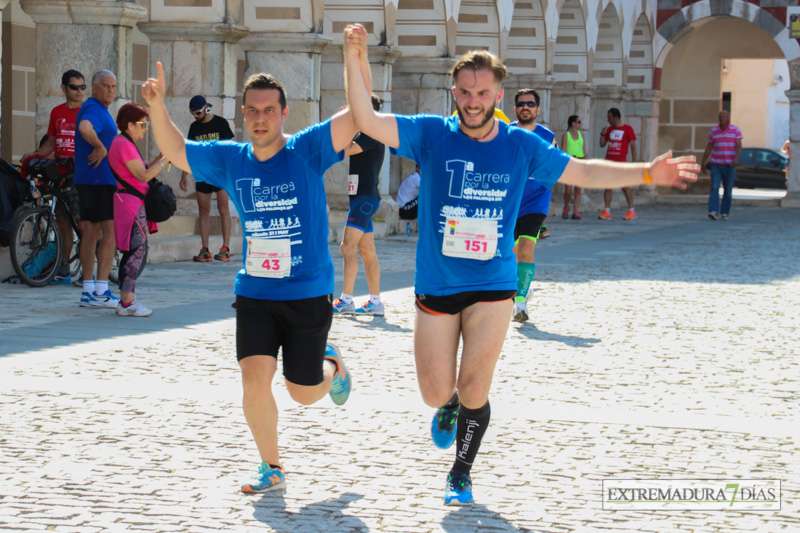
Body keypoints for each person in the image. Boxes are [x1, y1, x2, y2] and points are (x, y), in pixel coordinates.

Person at [343, 23, 698, 506]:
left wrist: (644, 172)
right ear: (454, 91)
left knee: (474, 386)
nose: (473, 101)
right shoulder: (430, 134)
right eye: (465, 92)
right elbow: (363, 116)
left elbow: (583, 170)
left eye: (482, 93)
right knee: (435, 391)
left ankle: (460, 474)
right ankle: (447, 406)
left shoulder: (520, 144)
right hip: (438, 282)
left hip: (494, 283)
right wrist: (354, 52)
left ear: (498, 94)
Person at [141, 62, 355, 493]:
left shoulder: (307, 149)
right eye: (253, 110)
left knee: (302, 392)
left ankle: (334, 368)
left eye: (269, 110)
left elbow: (357, 116)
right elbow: (178, 150)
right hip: (255, 289)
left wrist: (356, 60)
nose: (261, 118)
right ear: (242, 114)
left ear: (284, 113)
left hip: (308, 290)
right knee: (254, 377)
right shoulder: (230, 157)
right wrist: (158, 106)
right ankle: (271, 466)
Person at [24, 69, 86, 284]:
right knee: (62, 224)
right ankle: (64, 268)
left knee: (83, 224)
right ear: (64, 88)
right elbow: (51, 141)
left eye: (82, 87)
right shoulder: (57, 112)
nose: (79, 91)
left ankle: (90, 273)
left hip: (80, 175)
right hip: (59, 174)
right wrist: (33, 155)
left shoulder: (87, 111)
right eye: (74, 87)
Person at [108, 103, 168, 317]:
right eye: (143, 125)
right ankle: (127, 301)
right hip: (130, 204)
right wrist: (166, 161)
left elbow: (142, 170)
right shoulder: (123, 144)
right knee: (136, 250)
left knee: (134, 250)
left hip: (131, 202)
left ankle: (126, 300)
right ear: (130, 124)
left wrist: (161, 158)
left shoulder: (125, 143)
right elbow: (143, 176)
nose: (146, 129)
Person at [332, 95, 386, 316]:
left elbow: (345, 149)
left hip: (364, 199)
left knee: (347, 247)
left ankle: (346, 300)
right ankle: (376, 302)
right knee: (367, 251)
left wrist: (340, 121)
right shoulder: (365, 133)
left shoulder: (371, 133)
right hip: (362, 199)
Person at [74, 69, 121, 308]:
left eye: (113, 87)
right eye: (106, 86)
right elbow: (84, 127)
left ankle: (88, 290)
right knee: (110, 233)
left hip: (89, 179)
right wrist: (100, 146)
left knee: (91, 233)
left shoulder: (99, 109)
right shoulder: (93, 108)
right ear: (94, 87)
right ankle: (102, 290)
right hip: (100, 181)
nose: (110, 91)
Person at [509, 88, 555, 324]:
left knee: (526, 247)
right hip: (508, 202)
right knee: (508, 253)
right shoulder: (505, 133)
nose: (526, 106)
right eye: (521, 103)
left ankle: (519, 303)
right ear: (515, 109)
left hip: (536, 201)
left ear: (538, 109)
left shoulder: (548, 136)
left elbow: (554, 166)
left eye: (530, 103)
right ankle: (522, 290)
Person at [179, 95, 235, 262]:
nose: (195, 117)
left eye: (197, 113)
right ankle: (205, 249)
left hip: (220, 173)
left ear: (205, 108)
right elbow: (190, 152)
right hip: (202, 173)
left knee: (223, 208)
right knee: (203, 211)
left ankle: (225, 248)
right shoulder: (194, 127)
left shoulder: (221, 123)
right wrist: (184, 175)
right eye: (193, 114)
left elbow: (231, 149)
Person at [700, 111, 743, 220]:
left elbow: (739, 147)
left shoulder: (735, 130)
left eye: (723, 116)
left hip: (730, 165)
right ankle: (713, 211)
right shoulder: (714, 131)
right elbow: (709, 147)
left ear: (728, 118)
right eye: (720, 116)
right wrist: (703, 162)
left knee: (727, 190)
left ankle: (725, 212)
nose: (721, 118)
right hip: (716, 164)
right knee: (714, 188)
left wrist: (736, 159)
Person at [598, 108, 637, 221]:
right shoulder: (609, 129)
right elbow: (602, 144)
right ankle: (607, 211)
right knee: (608, 187)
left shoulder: (628, 129)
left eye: (609, 118)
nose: (608, 120)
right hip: (609, 162)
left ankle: (631, 210)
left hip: (621, 163)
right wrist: (602, 134)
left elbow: (633, 146)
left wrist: (634, 162)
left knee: (625, 187)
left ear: (616, 117)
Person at [560, 115, 586, 220]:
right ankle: (566, 206)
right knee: (568, 190)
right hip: (570, 162)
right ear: (573, 123)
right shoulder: (566, 135)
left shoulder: (582, 135)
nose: (580, 124)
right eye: (578, 122)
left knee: (578, 189)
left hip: (580, 161)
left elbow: (584, 150)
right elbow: (562, 150)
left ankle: (576, 211)